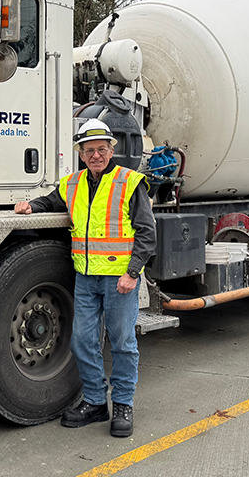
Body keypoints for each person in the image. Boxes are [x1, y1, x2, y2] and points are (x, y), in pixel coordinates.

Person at [14, 118, 156, 438]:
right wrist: (30, 206)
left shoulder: (129, 182)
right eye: (89, 150)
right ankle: (95, 402)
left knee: (122, 343)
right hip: (86, 278)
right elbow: (50, 202)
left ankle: (122, 404)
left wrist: (132, 273)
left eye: (102, 149)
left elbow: (147, 233)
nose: (96, 155)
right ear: (80, 153)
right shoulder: (72, 183)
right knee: (82, 341)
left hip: (119, 279)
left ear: (111, 150)